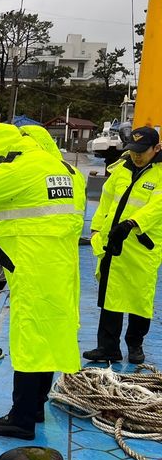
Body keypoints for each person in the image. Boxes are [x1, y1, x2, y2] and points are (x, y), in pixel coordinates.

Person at [0, 123, 86, 440]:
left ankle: (21, 419)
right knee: (48, 332)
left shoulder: (23, 168)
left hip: (32, 266)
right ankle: (37, 405)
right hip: (59, 264)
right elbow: (33, 214)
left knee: (28, 338)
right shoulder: (65, 170)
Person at [83, 126, 162, 365]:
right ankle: (108, 347)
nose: (137, 155)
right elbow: (106, 200)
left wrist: (132, 223)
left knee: (139, 297)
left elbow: (157, 206)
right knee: (109, 295)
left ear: (156, 148)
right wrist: (96, 229)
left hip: (140, 245)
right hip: (112, 243)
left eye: (142, 151)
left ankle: (135, 344)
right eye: (133, 150)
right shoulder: (122, 169)